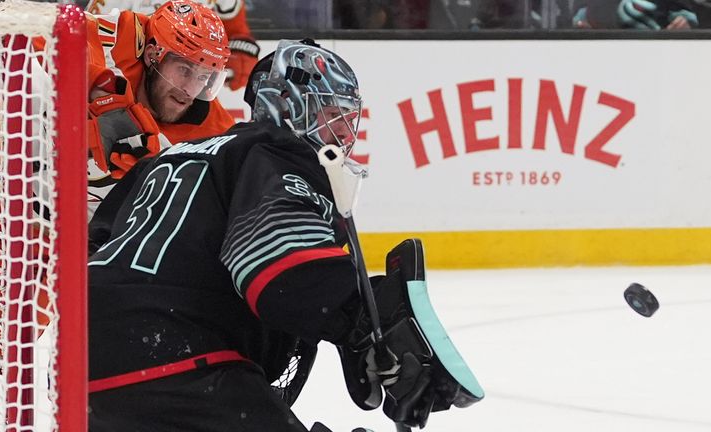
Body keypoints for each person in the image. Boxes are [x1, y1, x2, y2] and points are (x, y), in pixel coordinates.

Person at [87, 39, 482, 431]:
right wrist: (361, 322)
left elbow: (87, 251)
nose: (345, 133)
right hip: (175, 357)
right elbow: (282, 266)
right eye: (332, 114)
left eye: (349, 117)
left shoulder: (167, 158)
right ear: (288, 106)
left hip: (82, 363)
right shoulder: (276, 152)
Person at [86, 0, 236, 217]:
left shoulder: (215, 130)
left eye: (203, 77)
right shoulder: (124, 37)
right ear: (152, 55)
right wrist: (103, 94)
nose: (190, 90)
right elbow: (49, 34)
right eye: (184, 69)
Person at [79, 0, 259, 92]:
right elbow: (93, 41)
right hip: (138, 86)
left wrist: (240, 49)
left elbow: (231, 22)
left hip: (194, 86)